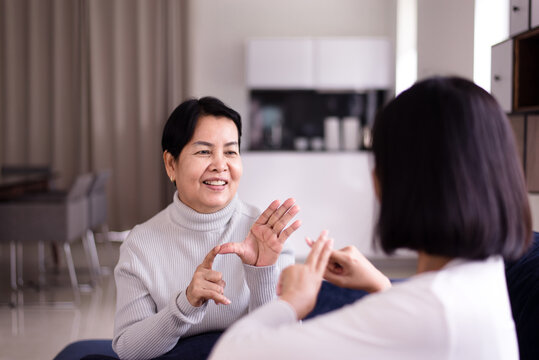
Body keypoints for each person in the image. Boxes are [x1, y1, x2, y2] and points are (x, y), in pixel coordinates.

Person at [209, 76, 533, 360]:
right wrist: (382, 286)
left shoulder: (432, 311)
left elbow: (231, 353)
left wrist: (293, 301)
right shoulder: (481, 277)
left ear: (387, 181)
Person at [113, 96, 301, 360]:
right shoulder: (141, 244)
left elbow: (285, 346)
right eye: (204, 151)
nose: (220, 165)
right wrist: (185, 305)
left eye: (231, 151)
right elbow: (129, 350)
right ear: (171, 164)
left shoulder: (267, 234)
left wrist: (264, 273)